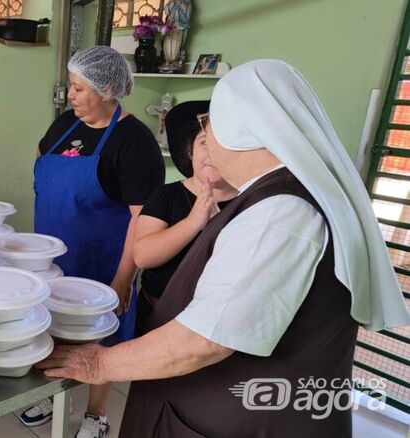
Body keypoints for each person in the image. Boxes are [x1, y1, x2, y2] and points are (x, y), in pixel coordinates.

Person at [37, 59, 410, 437]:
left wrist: (99, 365)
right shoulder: (279, 195)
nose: (206, 138)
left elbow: (203, 340)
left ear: (241, 131)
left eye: (209, 125)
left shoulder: (281, 213)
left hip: (241, 420)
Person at [24, 46, 165, 438]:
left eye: (78, 88)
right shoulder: (66, 124)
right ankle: (50, 395)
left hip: (103, 261)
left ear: (106, 90)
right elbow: (40, 157)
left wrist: (123, 277)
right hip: (54, 257)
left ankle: (96, 414)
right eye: (71, 86)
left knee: (104, 336)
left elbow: (144, 218)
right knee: (50, 327)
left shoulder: (133, 141)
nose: (70, 95)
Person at [132, 100, 238, 337]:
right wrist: (193, 222)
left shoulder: (251, 201)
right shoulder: (166, 196)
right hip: (156, 316)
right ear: (190, 151)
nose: (212, 154)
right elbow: (142, 256)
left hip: (218, 328)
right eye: (204, 143)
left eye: (222, 145)